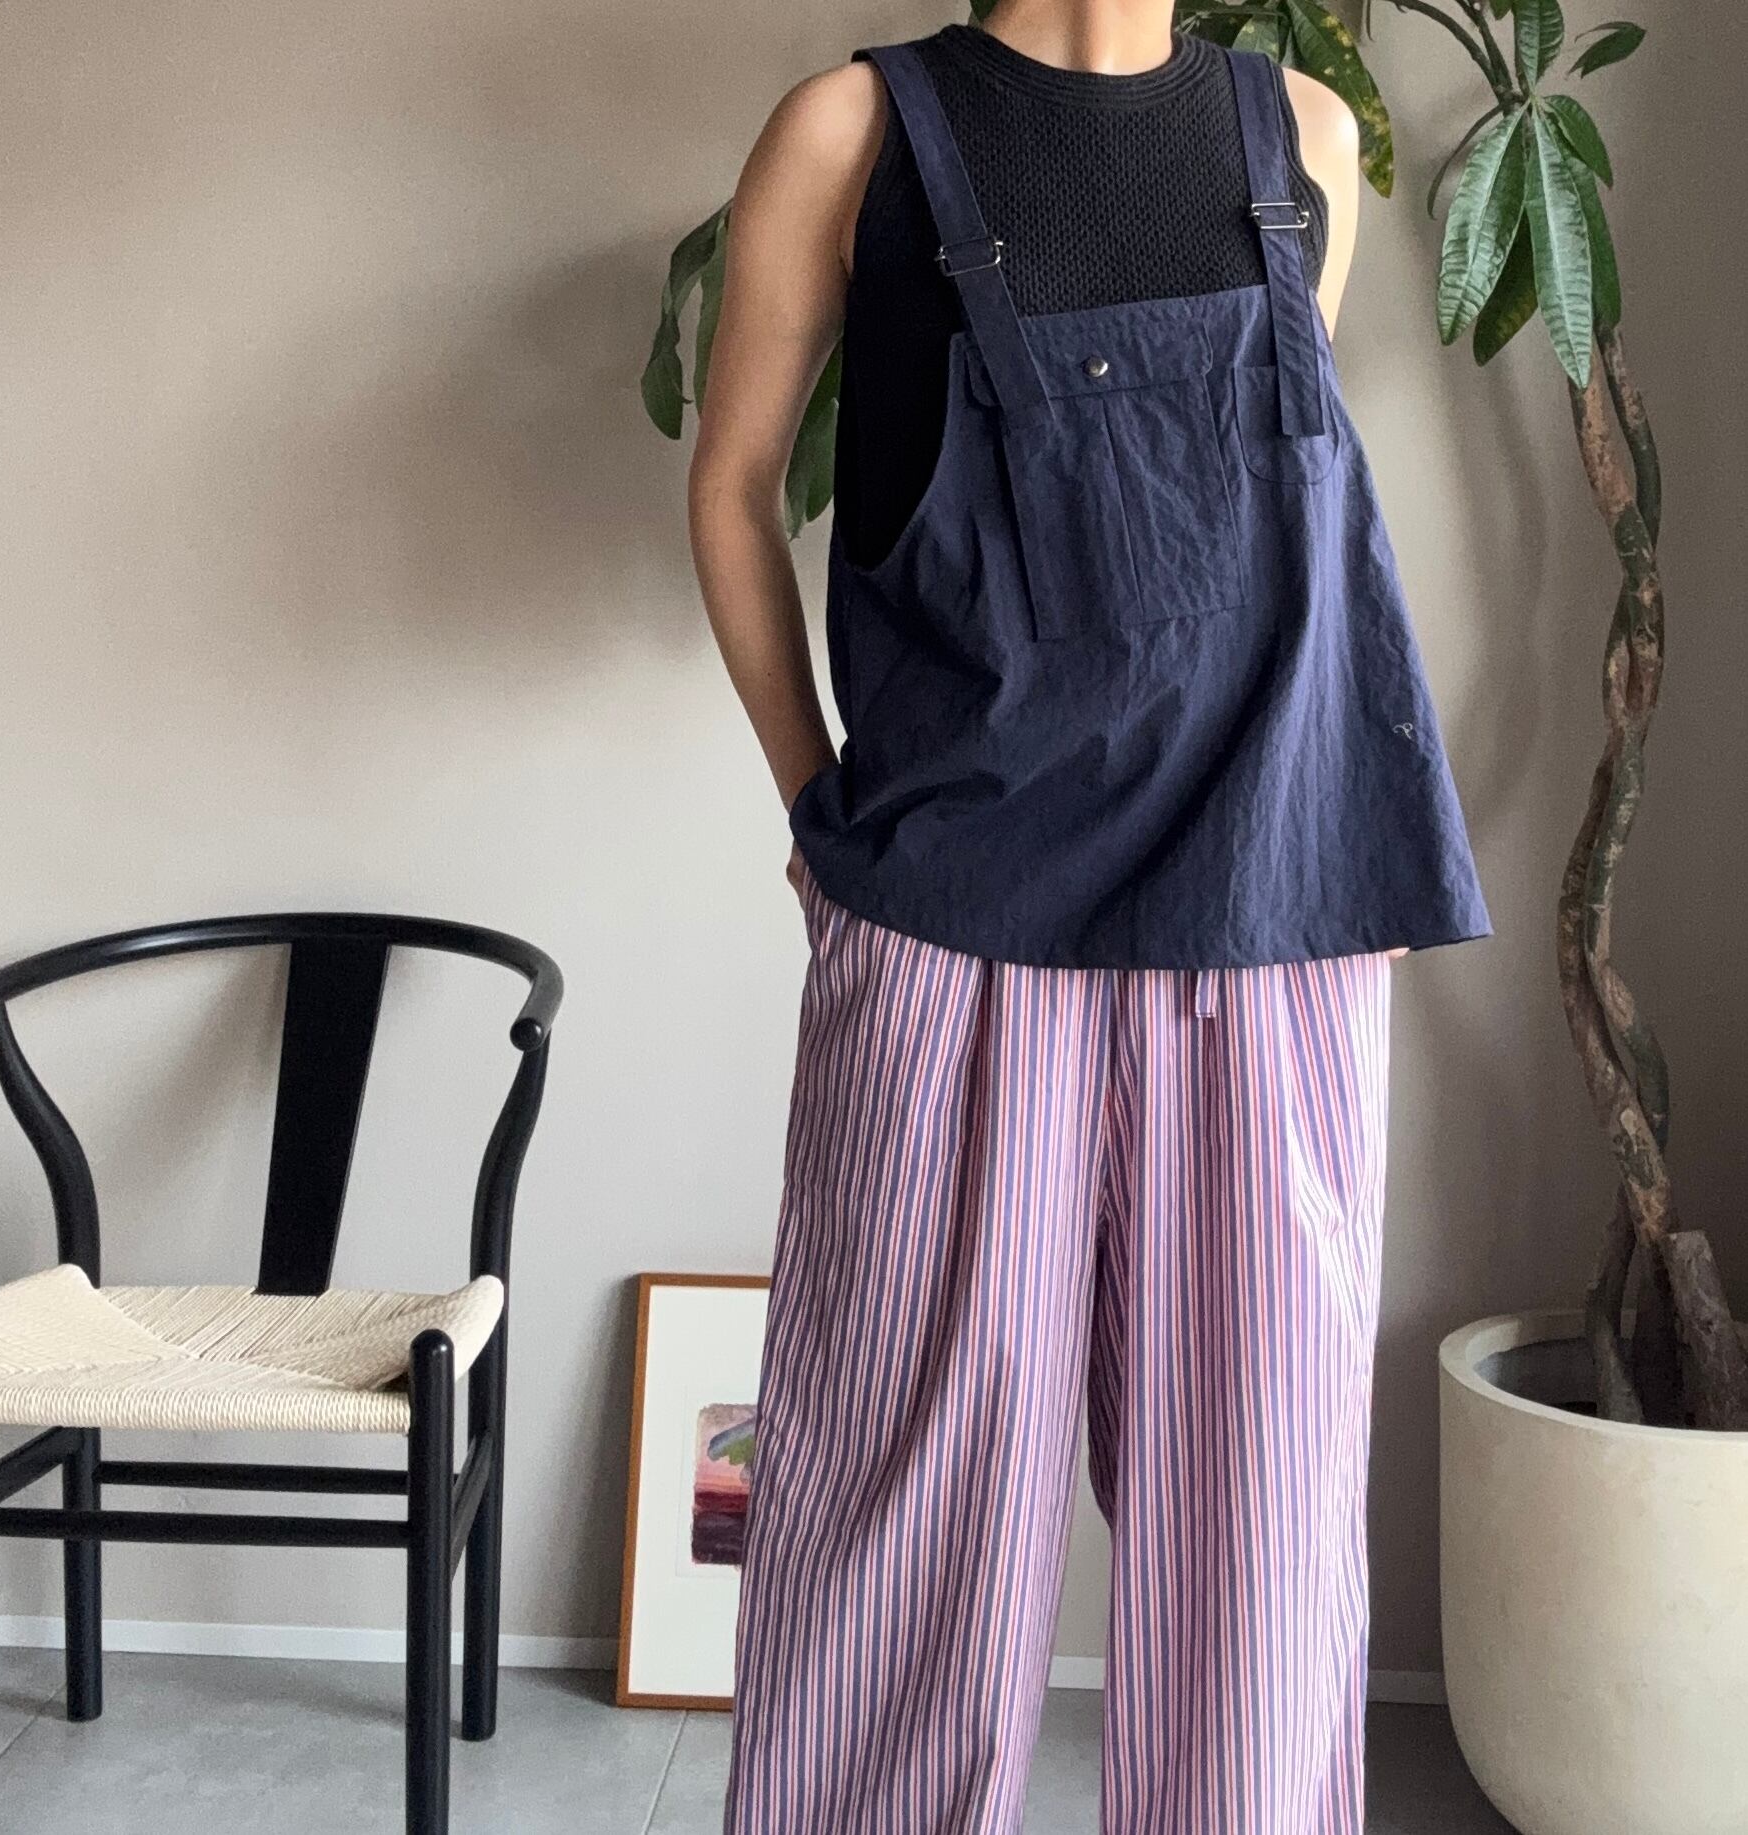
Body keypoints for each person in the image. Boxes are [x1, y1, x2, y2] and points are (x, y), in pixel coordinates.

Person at [689, 2, 1492, 1829]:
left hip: (1275, 919)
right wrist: (817, 814)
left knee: (1260, 1540)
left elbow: (1256, 536)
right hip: (951, 931)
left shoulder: (1305, 136)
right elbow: (730, 488)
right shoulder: (852, 134)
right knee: (901, 1532)